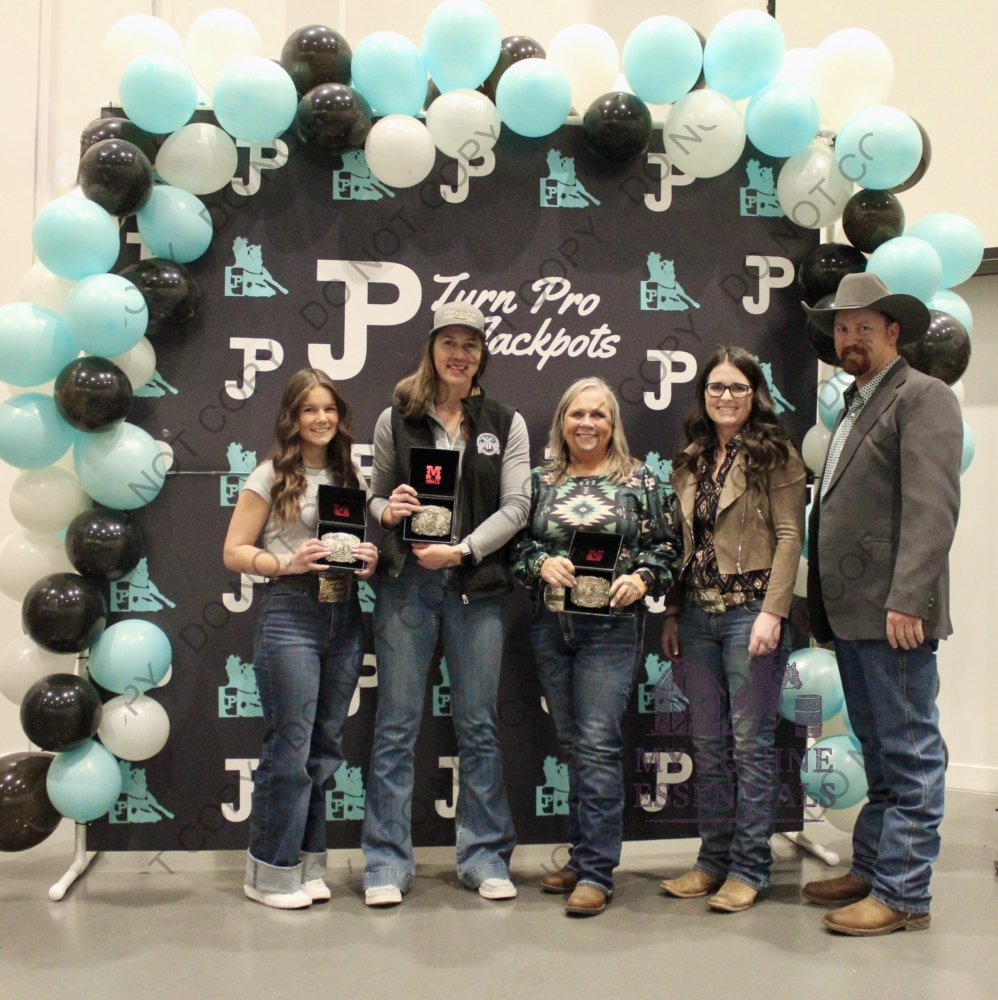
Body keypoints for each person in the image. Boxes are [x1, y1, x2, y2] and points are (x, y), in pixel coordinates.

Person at [801, 272, 962, 935]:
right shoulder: (855, 401)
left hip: (895, 613)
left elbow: (933, 509)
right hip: (853, 611)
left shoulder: (923, 396)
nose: (850, 339)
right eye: (842, 328)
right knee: (879, 748)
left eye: (863, 327)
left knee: (910, 753)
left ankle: (903, 894)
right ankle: (872, 868)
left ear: (893, 332)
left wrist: (910, 599)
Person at [361, 302, 531, 906]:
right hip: (406, 585)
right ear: (431, 349)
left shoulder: (505, 422)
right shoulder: (396, 417)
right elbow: (373, 497)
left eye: (471, 344)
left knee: (479, 726)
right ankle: (385, 863)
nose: (460, 354)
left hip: (474, 588)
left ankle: (485, 857)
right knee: (395, 727)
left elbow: (518, 507)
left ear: (482, 353)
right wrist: (388, 511)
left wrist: (461, 550)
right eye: (449, 343)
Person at [511, 377, 678, 916]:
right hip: (550, 625)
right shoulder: (538, 482)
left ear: (613, 424)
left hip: (611, 628)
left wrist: (644, 578)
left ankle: (597, 873)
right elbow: (515, 545)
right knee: (573, 744)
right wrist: (540, 563)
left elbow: (669, 546)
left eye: (598, 414)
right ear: (562, 421)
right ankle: (583, 854)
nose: (587, 423)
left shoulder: (641, 481)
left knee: (598, 743)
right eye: (577, 413)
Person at [222, 368, 378, 910]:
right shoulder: (269, 474)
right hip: (290, 613)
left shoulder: (350, 475)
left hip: (344, 611)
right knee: (289, 749)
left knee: (324, 749)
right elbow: (234, 551)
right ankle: (269, 873)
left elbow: (354, 543)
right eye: (310, 409)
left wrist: (366, 561)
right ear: (293, 416)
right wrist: (287, 562)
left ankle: (309, 865)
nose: (321, 418)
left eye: (329, 408)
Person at [660, 346, 805, 913]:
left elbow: (790, 536)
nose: (726, 397)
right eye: (716, 387)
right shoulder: (691, 460)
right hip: (697, 618)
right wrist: (673, 612)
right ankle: (711, 861)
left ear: (754, 395)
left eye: (737, 387)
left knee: (750, 747)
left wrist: (774, 611)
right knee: (708, 746)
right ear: (703, 396)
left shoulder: (776, 454)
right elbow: (684, 544)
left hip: (751, 615)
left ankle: (749, 868)